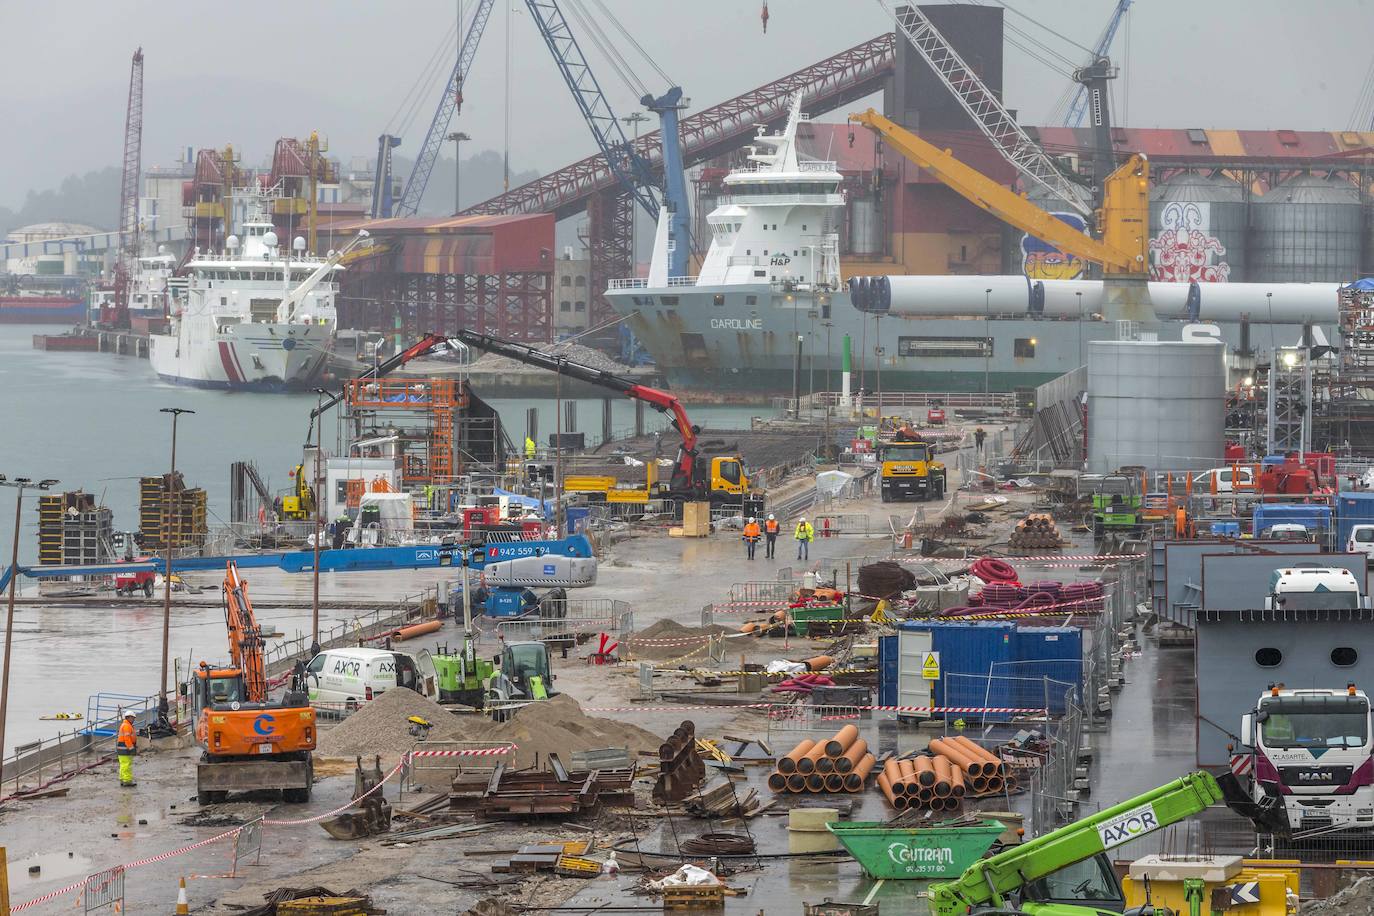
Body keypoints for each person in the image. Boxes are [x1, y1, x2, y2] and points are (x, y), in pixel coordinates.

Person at [116, 713, 137, 787]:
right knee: (126, 765)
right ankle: (127, 781)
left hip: (123, 748)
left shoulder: (126, 725)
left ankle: (122, 779)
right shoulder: (127, 726)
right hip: (125, 749)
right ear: (129, 717)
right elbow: (127, 738)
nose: (134, 719)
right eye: (133, 718)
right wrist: (131, 748)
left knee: (123, 765)